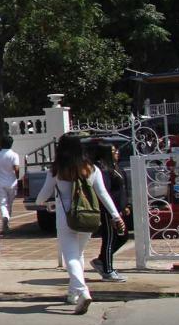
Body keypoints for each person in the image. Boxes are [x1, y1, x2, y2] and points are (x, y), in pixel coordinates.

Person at [33, 134, 124, 314]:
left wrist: (41, 202)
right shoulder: (91, 168)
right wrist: (115, 215)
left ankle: (82, 291)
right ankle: (73, 293)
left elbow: (42, 196)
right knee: (79, 254)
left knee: (72, 257)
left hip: (66, 219)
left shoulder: (57, 170)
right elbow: (103, 194)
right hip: (88, 218)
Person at [91, 144, 128, 283]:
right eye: (113, 151)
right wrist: (112, 213)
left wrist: (126, 205)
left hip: (119, 209)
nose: (116, 153)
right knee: (109, 239)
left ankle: (102, 260)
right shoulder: (104, 170)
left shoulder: (116, 167)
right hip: (109, 211)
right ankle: (107, 270)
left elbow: (123, 188)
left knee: (123, 237)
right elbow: (105, 192)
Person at [0, 136, 20, 233]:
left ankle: (5, 217)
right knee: (9, 203)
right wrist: (17, 177)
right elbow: (16, 168)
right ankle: (7, 219)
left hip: (0, 181)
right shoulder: (14, 155)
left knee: (2, 202)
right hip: (11, 182)